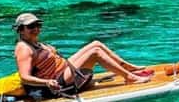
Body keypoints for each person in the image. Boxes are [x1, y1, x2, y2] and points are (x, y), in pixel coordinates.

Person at [13, 13, 151, 97]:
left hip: (63, 71)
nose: (36, 29)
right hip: (57, 84)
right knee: (94, 53)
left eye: (38, 25)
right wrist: (47, 82)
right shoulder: (23, 48)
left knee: (96, 44)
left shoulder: (35, 42)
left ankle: (128, 68)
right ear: (21, 30)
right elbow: (24, 77)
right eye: (31, 26)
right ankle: (130, 77)